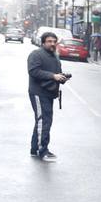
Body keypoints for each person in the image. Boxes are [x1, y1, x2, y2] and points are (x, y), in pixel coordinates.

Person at [27, 32, 68, 161]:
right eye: (49, 41)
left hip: (50, 93)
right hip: (38, 92)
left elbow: (56, 74)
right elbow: (33, 71)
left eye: (54, 41)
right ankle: (42, 150)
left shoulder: (55, 57)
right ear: (43, 42)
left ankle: (35, 148)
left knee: (43, 120)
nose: (52, 43)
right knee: (43, 121)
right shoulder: (36, 55)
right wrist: (53, 76)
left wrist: (61, 77)